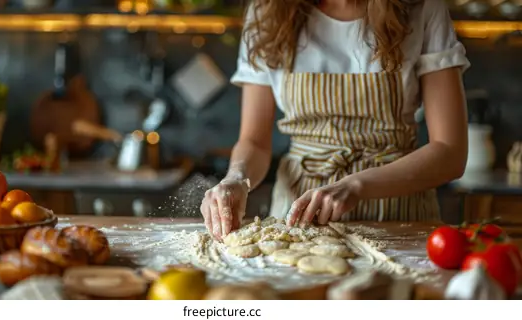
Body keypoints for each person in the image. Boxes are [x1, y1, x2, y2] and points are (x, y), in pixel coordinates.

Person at [201, 0, 469, 240]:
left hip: (400, 215)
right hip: (298, 219)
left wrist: (355, 185)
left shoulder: (422, 8)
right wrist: (237, 178)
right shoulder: (267, 13)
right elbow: (255, 142)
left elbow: (450, 153)